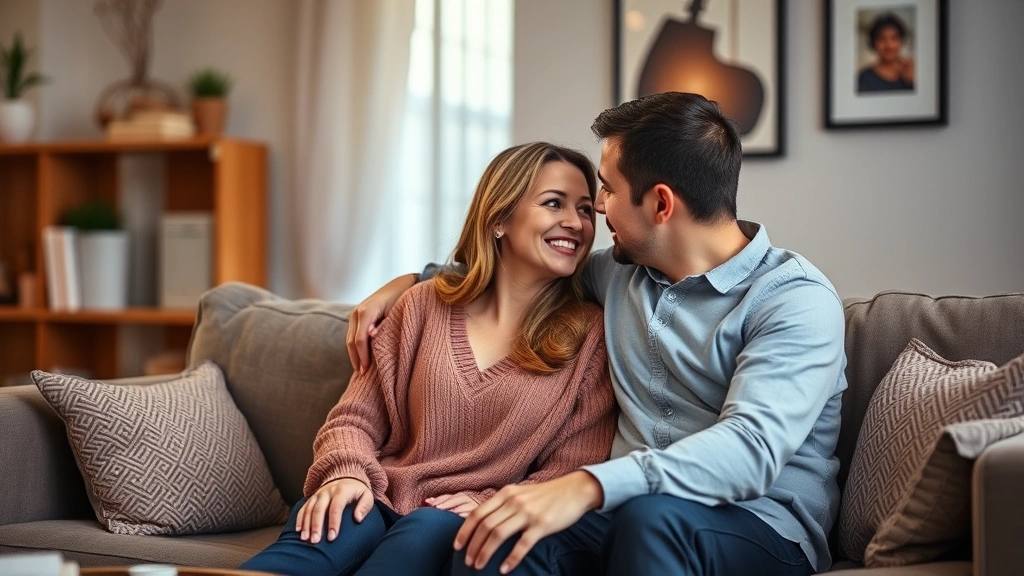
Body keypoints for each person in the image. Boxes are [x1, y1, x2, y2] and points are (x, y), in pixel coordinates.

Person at [347, 92, 848, 576]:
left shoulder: (794, 301)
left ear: (660, 204)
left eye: (606, 189)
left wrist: (586, 486)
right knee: (494, 540)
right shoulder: (621, 273)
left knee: (652, 520)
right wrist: (405, 283)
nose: (599, 207)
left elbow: (750, 453)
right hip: (620, 510)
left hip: (759, 523)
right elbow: (504, 267)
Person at [241, 142, 617, 576]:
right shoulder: (422, 305)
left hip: (460, 519)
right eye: (554, 203)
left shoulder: (591, 337)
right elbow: (354, 419)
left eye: (586, 210)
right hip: (377, 491)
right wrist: (345, 474)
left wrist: (491, 501)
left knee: (423, 530)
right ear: (499, 219)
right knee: (325, 525)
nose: (576, 223)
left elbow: (572, 470)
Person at [857, 12, 915, 93]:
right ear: (874, 43)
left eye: (894, 38)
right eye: (882, 39)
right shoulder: (863, 78)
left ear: (901, 41)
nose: (889, 45)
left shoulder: (912, 72)